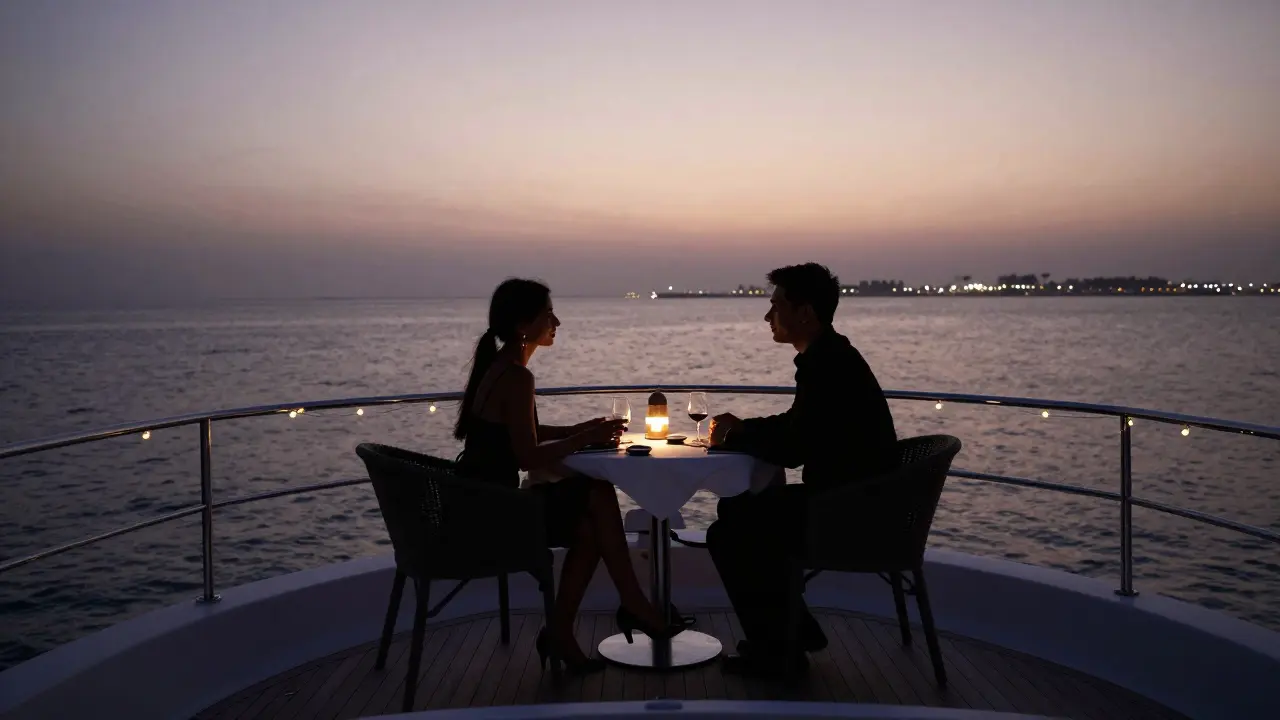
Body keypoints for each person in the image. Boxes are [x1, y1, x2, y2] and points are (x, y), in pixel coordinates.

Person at [454, 278, 685, 675]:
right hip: (497, 512)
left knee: (592, 517)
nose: (556, 320)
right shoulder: (516, 377)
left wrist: (579, 429)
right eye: (548, 313)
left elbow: (522, 433)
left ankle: (567, 629)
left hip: (479, 500)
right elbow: (527, 456)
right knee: (596, 495)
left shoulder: (500, 369)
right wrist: (585, 437)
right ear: (524, 325)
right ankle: (631, 605)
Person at [706, 263, 899, 677]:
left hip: (848, 510)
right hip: (863, 499)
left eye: (775, 306)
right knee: (740, 515)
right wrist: (744, 427)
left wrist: (735, 438)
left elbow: (794, 448)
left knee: (728, 530)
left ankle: (780, 651)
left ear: (805, 312)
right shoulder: (832, 355)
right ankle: (790, 635)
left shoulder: (825, 365)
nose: (767, 316)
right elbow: (800, 425)